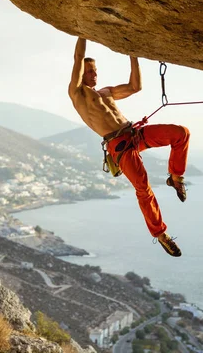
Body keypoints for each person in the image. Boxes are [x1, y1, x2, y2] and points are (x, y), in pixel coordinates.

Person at [68, 37, 190, 257]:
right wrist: (81, 33)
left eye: (95, 70)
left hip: (134, 133)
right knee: (143, 187)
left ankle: (176, 177)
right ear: (80, 74)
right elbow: (78, 57)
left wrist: (132, 53)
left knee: (181, 133)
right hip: (119, 145)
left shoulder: (105, 92)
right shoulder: (77, 93)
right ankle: (161, 235)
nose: (93, 74)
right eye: (88, 71)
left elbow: (135, 86)